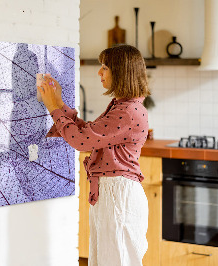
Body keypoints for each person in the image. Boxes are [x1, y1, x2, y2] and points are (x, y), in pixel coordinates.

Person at [38, 44, 150, 266]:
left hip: (118, 195)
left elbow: (81, 141)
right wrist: (59, 103)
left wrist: (53, 108)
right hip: (113, 193)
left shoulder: (127, 111)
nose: (99, 72)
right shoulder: (123, 106)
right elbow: (88, 133)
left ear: (121, 72)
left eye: (105, 67)